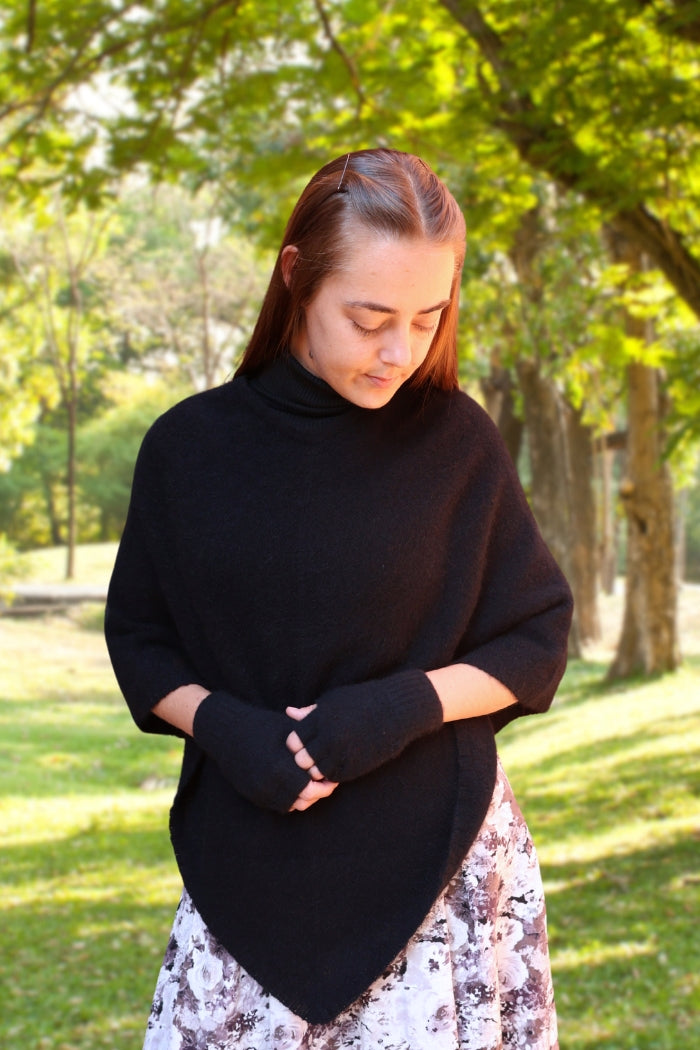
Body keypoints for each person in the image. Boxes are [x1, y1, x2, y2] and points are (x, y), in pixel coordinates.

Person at [105, 148, 573, 1050]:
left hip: (445, 880)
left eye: (428, 318)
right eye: (369, 319)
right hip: (245, 867)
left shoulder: (457, 442)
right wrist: (224, 728)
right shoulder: (187, 449)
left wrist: (400, 707)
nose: (400, 351)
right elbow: (140, 641)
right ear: (297, 277)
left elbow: (535, 638)